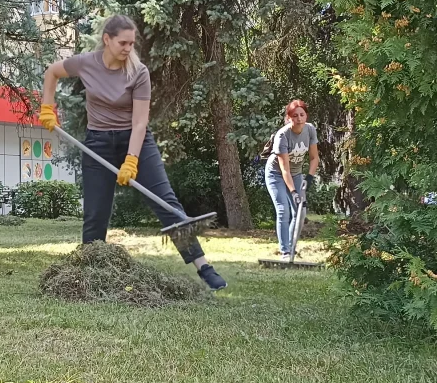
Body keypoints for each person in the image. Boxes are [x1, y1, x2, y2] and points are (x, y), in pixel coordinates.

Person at [38, 15, 227, 290]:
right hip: (98, 142)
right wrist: (47, 106)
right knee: (95, 212)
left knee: (166, 202)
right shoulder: (86, 63)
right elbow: (52, 72)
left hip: (134, 140)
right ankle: (88, 276)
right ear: (107, 40)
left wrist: (131, 159)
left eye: (131, 43)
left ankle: (203, 266)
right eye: (122, 43)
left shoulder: (138, 72)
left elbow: (139, 123)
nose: (128, 48)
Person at [264, 99, 319, 261]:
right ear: (289, 118)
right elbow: (284, 169)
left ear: (306, 116)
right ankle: (285, 251)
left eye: (302, 115)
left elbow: (314, 158)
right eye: (295, 116)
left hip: (296, 174)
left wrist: (308, 179)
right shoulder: (282, 135)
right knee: (283, 210)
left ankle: (292, 247)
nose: (299, 118)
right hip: (276, 174)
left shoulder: (310, 130)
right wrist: (294, 192)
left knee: (300, 212)